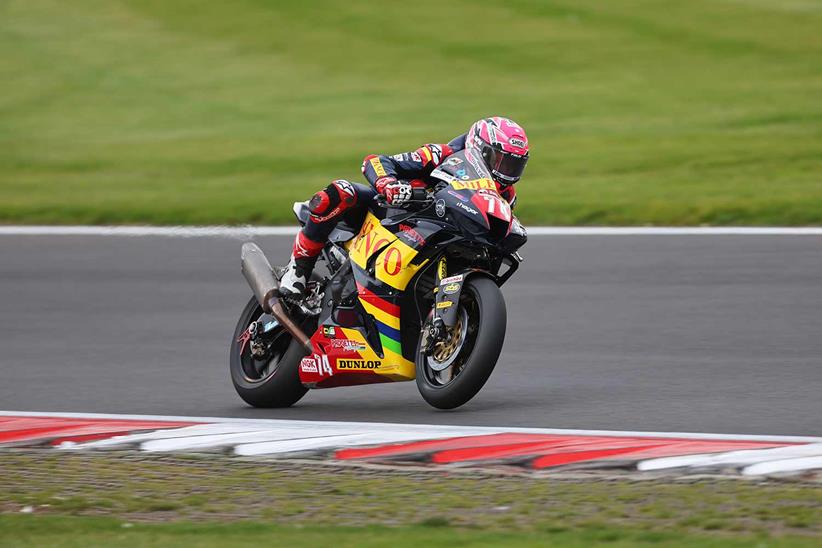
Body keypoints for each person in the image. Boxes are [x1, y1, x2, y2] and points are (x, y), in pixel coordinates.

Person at [279, 116, 530, 297]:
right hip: (394, 217)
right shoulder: (442, 155)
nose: (506, 171)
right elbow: (375, 162)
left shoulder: (505, 195)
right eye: (501, 161)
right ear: (480, 149)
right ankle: (298, 270)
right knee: (340, 192)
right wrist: (390, 185)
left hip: (438, 240)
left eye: (513, 166)